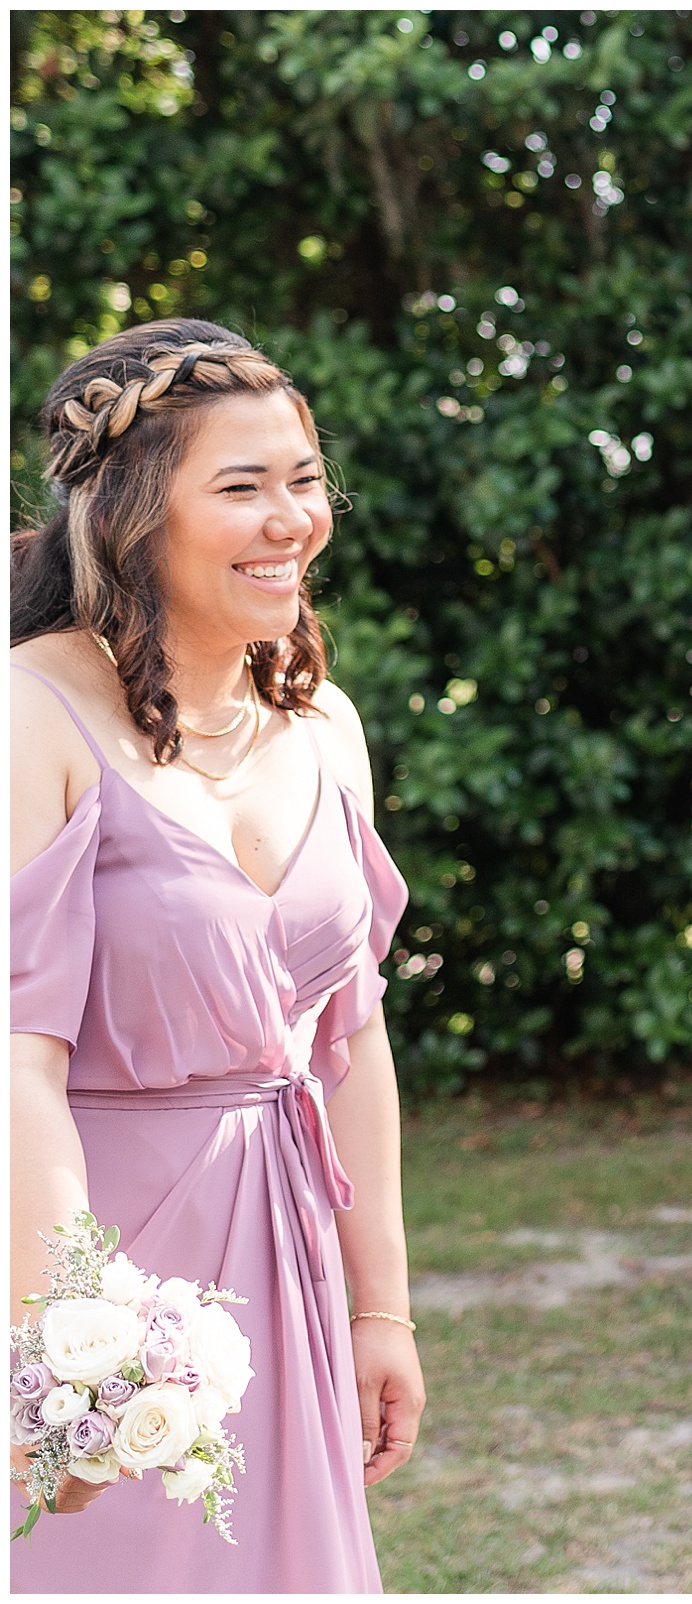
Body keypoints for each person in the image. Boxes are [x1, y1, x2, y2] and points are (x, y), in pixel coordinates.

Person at [10, 320, 418, 1591]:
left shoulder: (324, 724)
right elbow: (15, 1063)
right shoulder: (35, 709)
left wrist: (381, 1309)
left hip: (282, 1258)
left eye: (304, 478)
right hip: (95, 1254)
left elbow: (351, 1043)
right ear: (135, 513)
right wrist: (73, 1344)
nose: (291, 516)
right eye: (242, 486)